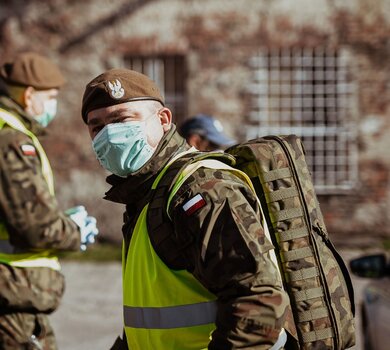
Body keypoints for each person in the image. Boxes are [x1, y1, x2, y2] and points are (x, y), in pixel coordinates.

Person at [81, 68, 290, 350]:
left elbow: (258, 301)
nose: (109, 134)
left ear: (164, 120)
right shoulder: (147, 192)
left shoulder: (202, 187)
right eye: (97, 127)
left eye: (121, 119)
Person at [0, 52, 99, 350]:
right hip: (13, 296)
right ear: (29, 96)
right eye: (51, 96)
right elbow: (34, 226)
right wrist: (74, 231)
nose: (53, 105)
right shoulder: (12, 141)